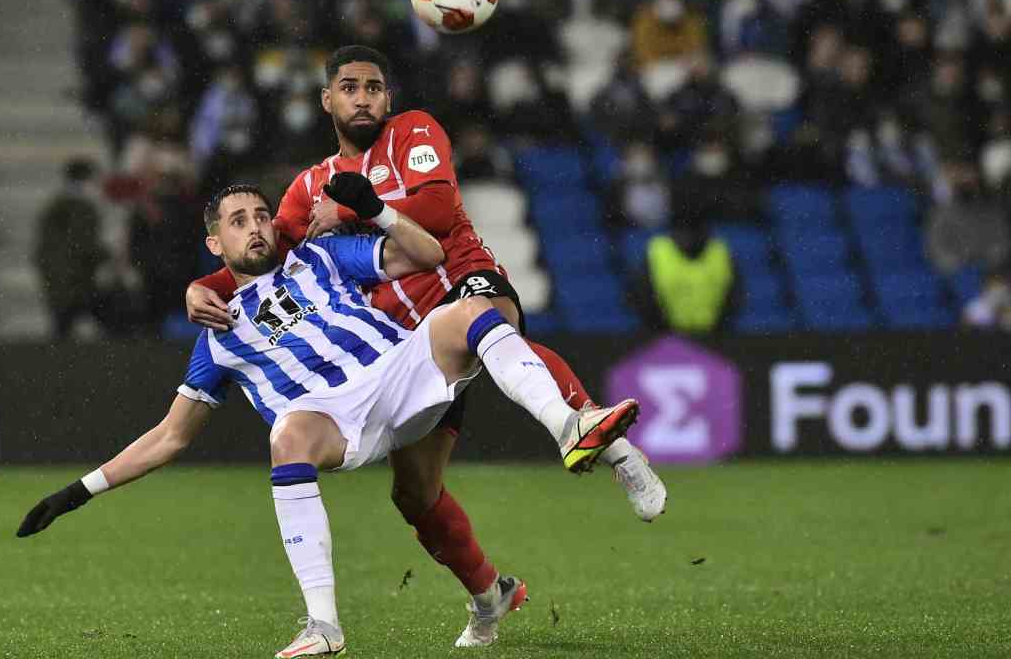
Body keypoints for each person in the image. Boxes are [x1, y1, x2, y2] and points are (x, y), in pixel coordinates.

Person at [16, 183, 639, 658]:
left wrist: (380, 210)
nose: (256, 228)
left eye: (262, 216)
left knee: (467, 310)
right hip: (336, 423)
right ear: (215, 245)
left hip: (400, 371)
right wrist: (78, 491)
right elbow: (170, 435)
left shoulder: (320, 257)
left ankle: (568, 426)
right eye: (238, 222)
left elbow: (425, 254)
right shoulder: (219, 335)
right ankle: (323, 624)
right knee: (287, 435)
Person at [184, 46, 665, 645]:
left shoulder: (415, 131)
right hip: (400, 345)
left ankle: (603, 443)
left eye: (374, 88)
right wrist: (200, 287)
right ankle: (491, 596)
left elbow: (438, 206)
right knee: (414, 495)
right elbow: (262, 255)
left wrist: (362, 208)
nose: (363, 98)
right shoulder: (307, 188)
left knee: (488, 318)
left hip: (459, 275)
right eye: (350, 88)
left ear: (388, 98)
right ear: (327, 100)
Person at [630, 190, 740, 334]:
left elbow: (735, 297)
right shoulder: (656, 251)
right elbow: (642, 298)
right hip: (666, 339)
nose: (688, 236)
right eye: (683, 229)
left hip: (714, 338)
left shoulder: (720, 251)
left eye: (694, 229)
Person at [33, 157, 112, 339]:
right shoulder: (80, 207)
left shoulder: (56, 205)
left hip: (61, 275)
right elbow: (82, 244)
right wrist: (106, 255)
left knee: (63, 326)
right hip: (73, 278)